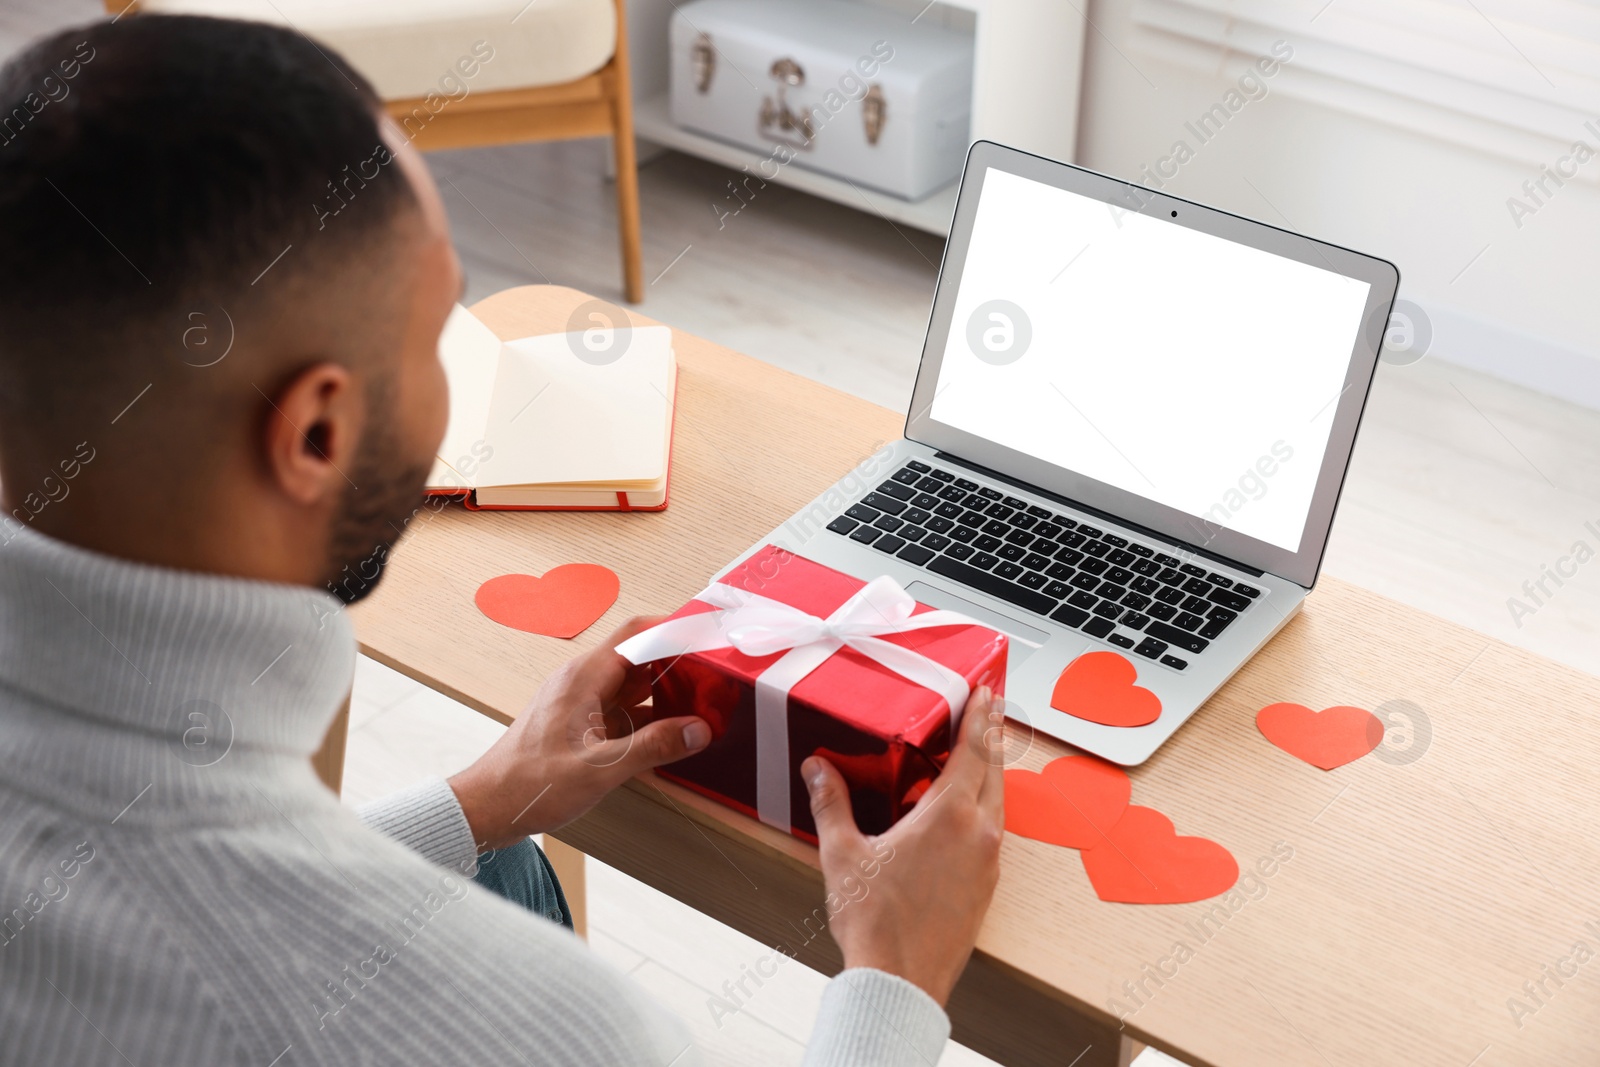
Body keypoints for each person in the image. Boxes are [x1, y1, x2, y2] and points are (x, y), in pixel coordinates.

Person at [0, 14, 1005, 1066]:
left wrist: (476, 801)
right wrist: (891, 977)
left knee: (506, 860)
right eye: (440, 329)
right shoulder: (550, 1031)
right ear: (315, 432)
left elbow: (161, 894)